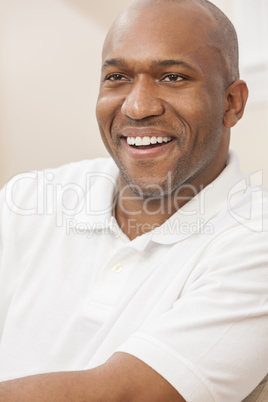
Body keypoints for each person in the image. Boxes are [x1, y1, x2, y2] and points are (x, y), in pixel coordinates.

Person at [0, 0, 267, 400]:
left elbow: (127, 395)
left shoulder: (255, 240)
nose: (138, 106)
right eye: (118, 76)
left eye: (173, 77)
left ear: (232, 103)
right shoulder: (29, 196)